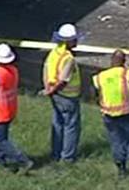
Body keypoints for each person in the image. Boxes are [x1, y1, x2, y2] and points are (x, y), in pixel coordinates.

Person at [92, 50, 129, 175]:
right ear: (124, 61)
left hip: (109, 114)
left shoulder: (101, 76)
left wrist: (102, 106)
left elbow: (94, 94)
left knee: (116, 140)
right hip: (128, 112)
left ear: (111, 61)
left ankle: (121, 168)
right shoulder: (128, 74)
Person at [43, 23, 83, 162]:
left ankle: (55, 153)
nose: (77, 41)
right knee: (71, 126)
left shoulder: (54, 53)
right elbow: (63, 80)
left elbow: (47, 70)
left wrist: (49, 90)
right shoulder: (68, 58)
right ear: (69, 41)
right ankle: (67, 158)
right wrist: (53, 91)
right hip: (67, 96)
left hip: (56, 95)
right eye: (75, 39)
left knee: (58, 123)